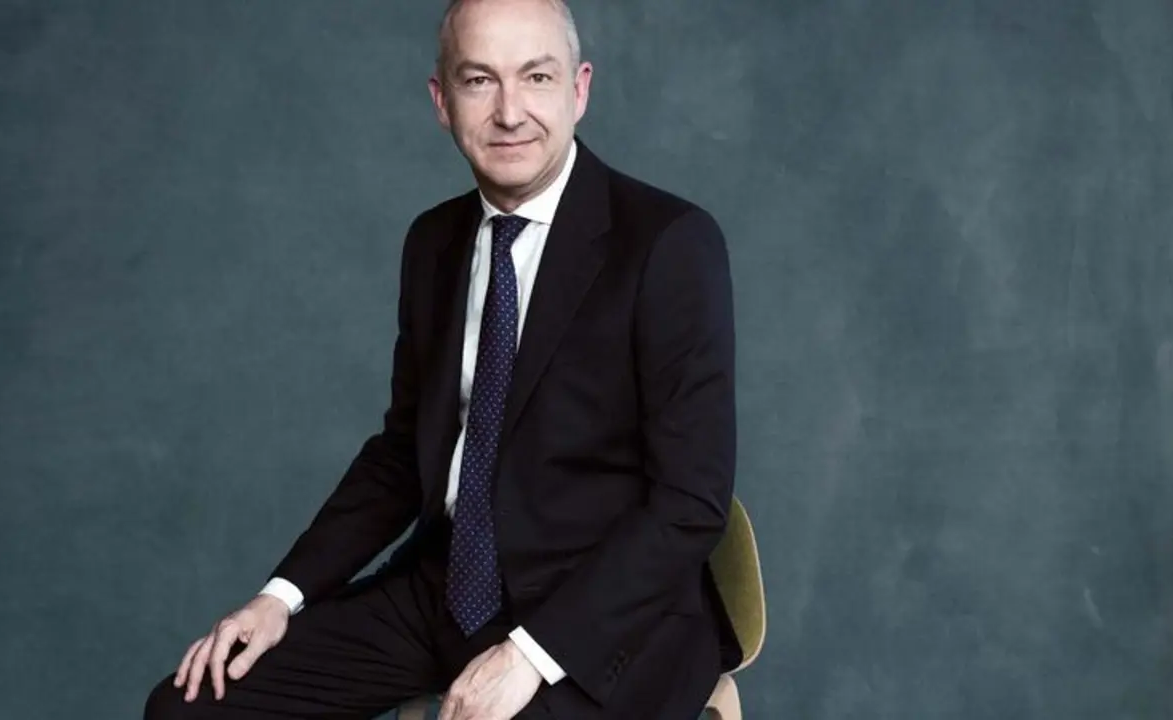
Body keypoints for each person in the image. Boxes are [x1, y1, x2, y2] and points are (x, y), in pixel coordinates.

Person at [144, 0, 738, 717]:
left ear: (579, 89)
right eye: (480, 80)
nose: (510, 112)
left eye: (537, 77)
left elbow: (689, 502)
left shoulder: (668, 243)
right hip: (448, 586)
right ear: (442, 101)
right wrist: (280, 597)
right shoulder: (433, 243)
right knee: (189, 707)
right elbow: (404, 454)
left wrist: (531, 654)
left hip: (609, 615)